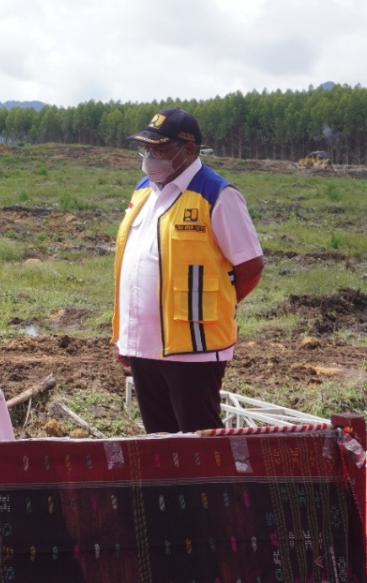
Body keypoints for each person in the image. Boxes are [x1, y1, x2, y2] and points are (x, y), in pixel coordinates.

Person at [113, 108, 264, 434]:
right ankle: (169, 489)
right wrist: (128, 339)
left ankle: (213, 489)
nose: (150, 157)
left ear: (189, 150)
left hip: (194, 347)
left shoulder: (217, 195)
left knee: (199, 440)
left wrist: (217, 302)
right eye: (147, 149)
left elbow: (250, 266)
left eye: (160, 149)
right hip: (145, 345)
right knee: (159, 439)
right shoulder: (143, 190)